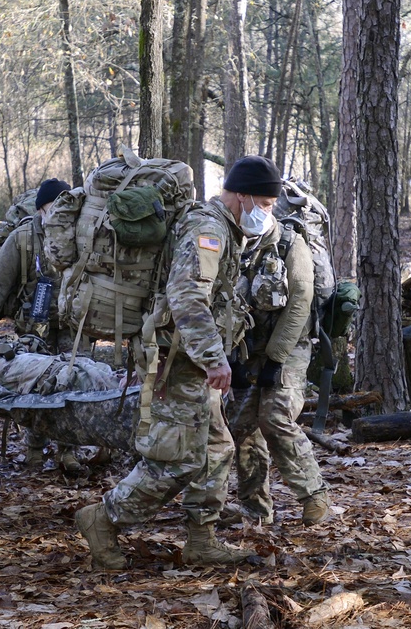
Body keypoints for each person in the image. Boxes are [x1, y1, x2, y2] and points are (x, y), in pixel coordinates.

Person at [75, 155, 283, 569]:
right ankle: (103, 518)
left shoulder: (221, 225)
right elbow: (187, 297)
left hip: (192, 361)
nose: (268, 213)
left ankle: (201, 539)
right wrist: (214, 359)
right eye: (265, 204)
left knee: (217, 448)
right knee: (177, 459)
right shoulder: (207, 228)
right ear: (241, 196)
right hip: (179, 362)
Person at [222, 212, 330, 527]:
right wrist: (230, 356)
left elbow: (300, 301)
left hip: (289, 345)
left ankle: (314, 494)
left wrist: (276, 357)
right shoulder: (230, 241)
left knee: (274, 416)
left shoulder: (290, 243)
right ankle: (255, 507)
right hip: (247, 347)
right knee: (242, 424)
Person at [0, 178, 79, 470]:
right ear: (40, 209)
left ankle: (68, 451)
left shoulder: (80, 235)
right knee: (36, 387)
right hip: (34, 328)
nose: (57, 212)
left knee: (74, 385)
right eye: (51, 206)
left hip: (73, 327)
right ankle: (34, 449)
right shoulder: (21, 239)